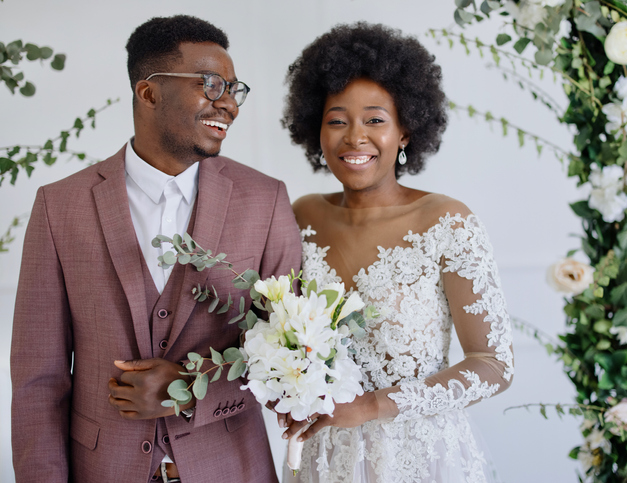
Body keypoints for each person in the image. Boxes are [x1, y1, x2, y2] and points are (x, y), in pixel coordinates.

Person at [11, 15, 301, 482]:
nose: (228, 104)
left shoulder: (265, 199)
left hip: (231, 469)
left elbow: (295, 360)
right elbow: (37, 381)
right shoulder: (59, 205)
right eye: (210, 84)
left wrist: (190, 391)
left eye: (233, 88)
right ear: (148, 93)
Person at [278, 23, 514, 483]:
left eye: (375, 119)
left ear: (405, 130)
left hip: (419, 459)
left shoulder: (447, 222)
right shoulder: (301, 215)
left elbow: (494, 364)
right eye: (337, 120)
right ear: (316, 129)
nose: (354, 137)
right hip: (324, 461)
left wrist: (371, 406)